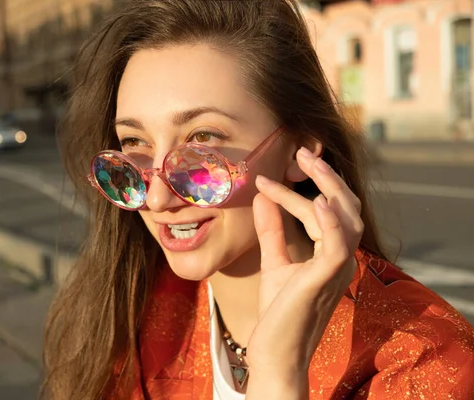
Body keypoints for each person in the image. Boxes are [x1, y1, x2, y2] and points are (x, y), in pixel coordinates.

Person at [42, 1, 474, 399]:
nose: (155, 197)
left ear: (299, 151)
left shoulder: (422, 361)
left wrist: (279, 373)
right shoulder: (130, 313)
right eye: (133, 142)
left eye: (203, 140)